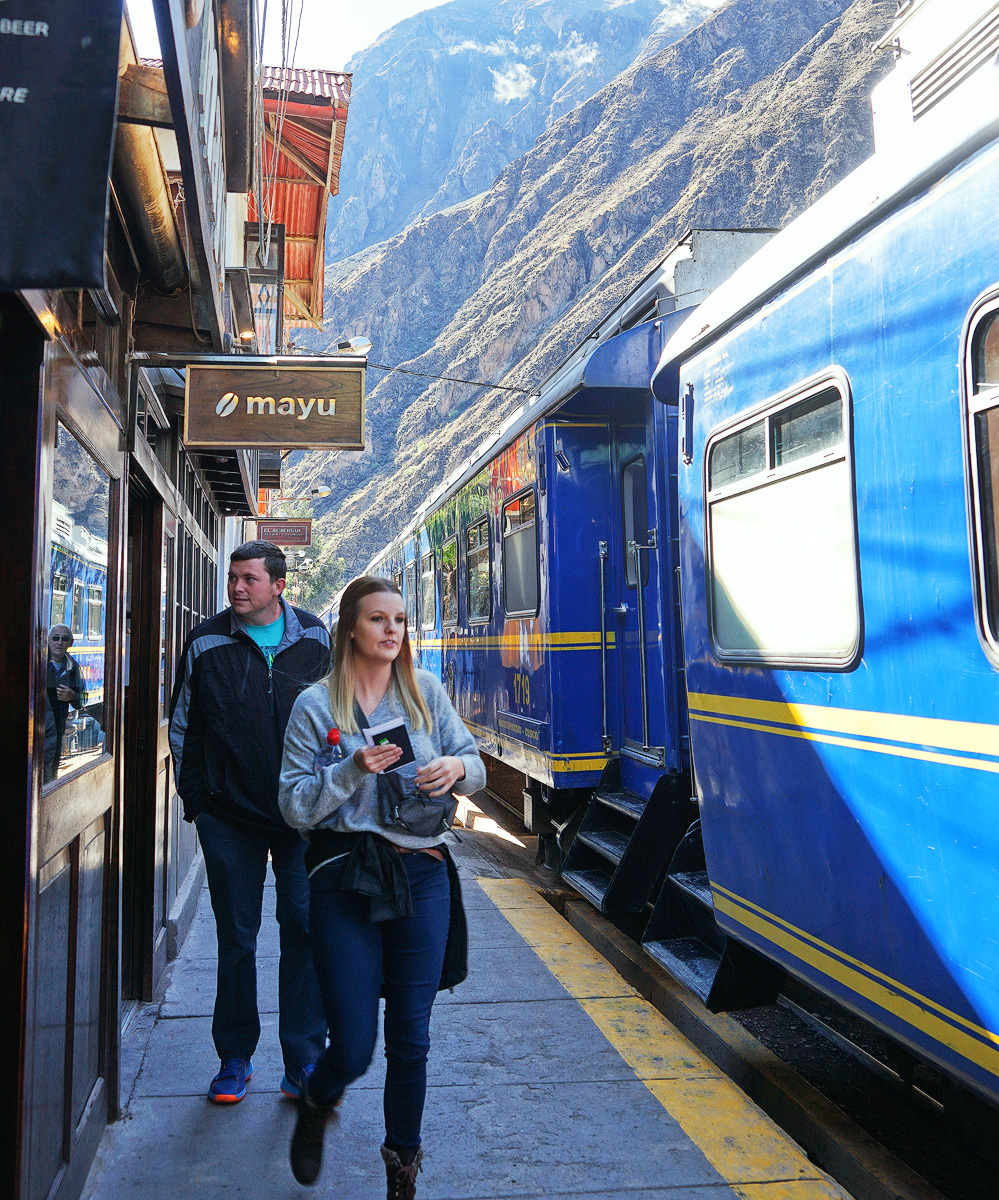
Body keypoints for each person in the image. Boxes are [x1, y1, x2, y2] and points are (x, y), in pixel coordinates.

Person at [278, 575, 485, 1198]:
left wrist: (457, 767)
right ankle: (318, 1096)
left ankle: (402, 1170)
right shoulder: (316, 706)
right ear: (350, 629)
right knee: (355, 1044)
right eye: (377, 619)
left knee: (411, 1038)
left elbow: (474, 762)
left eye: (398, 619)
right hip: (346, 876)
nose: (392, 629)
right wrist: (349, 769)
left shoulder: (424, 692)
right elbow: (293, 805)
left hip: (422, 873)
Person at [169, 540, 330, 1104]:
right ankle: (234, 1057)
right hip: (229, 818)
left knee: (304, 930)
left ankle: (303, 1061)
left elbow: (339, 719)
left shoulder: (315, 638)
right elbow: (183, 727)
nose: (237, 588)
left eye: (249, 579)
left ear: (279, 586)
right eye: (233, 578)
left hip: (302, 819)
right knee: (236, 938)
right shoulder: (206, 641)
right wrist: (198, 802)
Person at [45, 624, 85, 781]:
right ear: (49, 640)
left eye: (64, 638)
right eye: (55, 638)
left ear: (70, 642)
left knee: (49, 778)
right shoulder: (37, 664)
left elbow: (83, 700)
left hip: (56, 734)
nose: (59, 642)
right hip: (36, 732)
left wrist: (73, 696)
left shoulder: (73, 668)